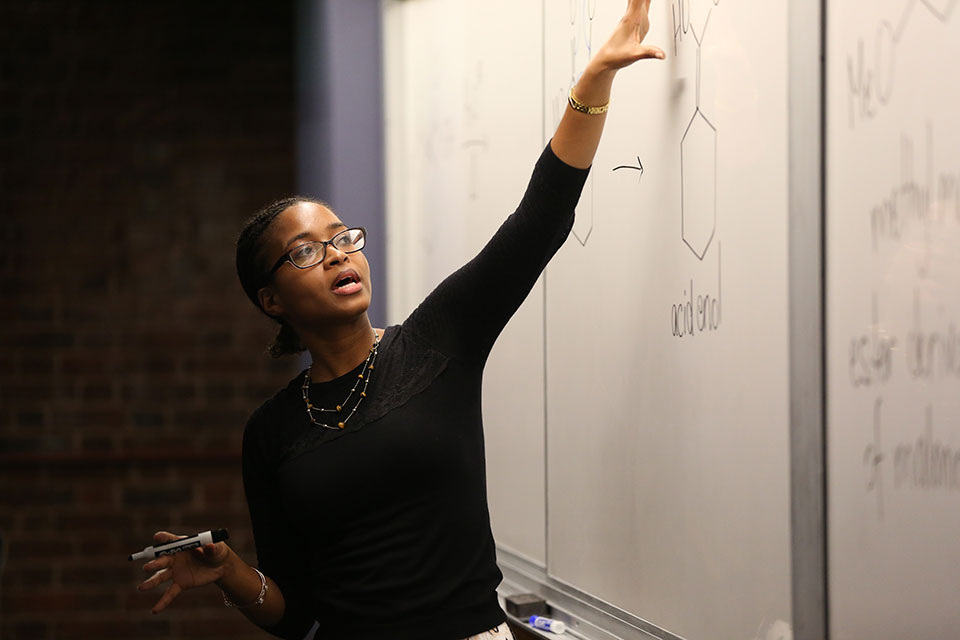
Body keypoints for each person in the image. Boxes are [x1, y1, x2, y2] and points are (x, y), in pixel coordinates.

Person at [137, 2, 664, 638]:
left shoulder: (438, 342)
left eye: (342, 238)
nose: (338, 255)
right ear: (270, 299)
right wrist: (229, 572)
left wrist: (592, 85)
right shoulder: (270, 432)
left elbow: (539, 222)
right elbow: (292, 609)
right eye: (306, 251)